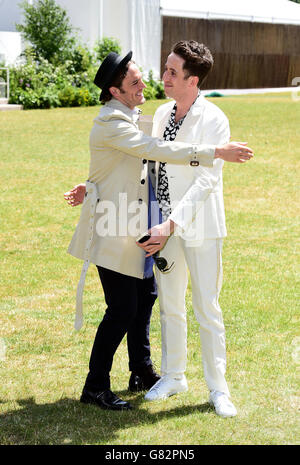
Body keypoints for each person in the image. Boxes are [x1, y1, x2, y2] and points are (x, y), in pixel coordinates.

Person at [65, 50, 253, 411]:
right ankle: (172, 376)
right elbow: (147, 154)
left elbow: (204, 181)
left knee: (205, 307)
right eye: (162, 70)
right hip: (159, 227)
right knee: (167, 305)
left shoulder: (214, 118)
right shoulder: (161, 114)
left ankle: (218, 389)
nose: (160, 78)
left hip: (196, 226)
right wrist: (92, 187)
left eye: (171, 71)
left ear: (192, 80)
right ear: (116, 91)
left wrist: (172, 222)